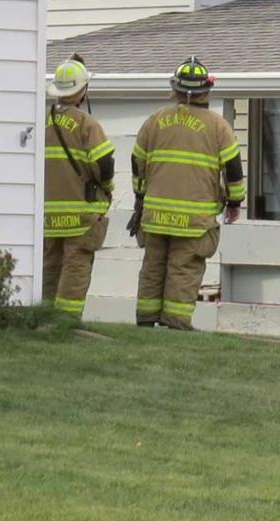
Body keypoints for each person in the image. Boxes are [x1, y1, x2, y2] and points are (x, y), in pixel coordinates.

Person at [129, 56, 245, 330]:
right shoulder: (218, 127)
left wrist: (140, 196)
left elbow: (137, 162)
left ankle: (146, 320)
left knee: (153, 267)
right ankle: (177, 323)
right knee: (184, 270)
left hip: (155, 215)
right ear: (207, 90)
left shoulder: (155, 121)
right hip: (194, 219)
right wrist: (234, 202)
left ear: (175, 89)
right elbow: (232, 169)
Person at [43, 56, 115, 319]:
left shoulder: (43, 121)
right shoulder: (87, 124)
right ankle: (65, 323)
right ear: (82, 90)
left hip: (48, 217)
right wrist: (107, 187)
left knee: (49, 268)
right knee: (75, 268)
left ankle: (44, 317)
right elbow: (104, 163)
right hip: (80, 216)